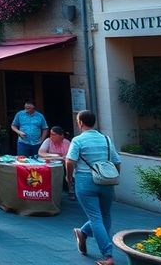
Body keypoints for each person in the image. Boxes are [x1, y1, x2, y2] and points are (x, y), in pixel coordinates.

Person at [66, 110, 122, 265]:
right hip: (106, 181)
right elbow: (117, 161)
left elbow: (70, 161)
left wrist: (69, 178)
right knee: (105, 216)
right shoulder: (106, 139)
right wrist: (114, 177)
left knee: (96, 218)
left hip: (85, 180)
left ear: (80, 123)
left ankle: (107, 255)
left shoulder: (78, 140)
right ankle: (82, 233)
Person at [40, 126, 76, 200]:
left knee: (69, 168)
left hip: (63, 164)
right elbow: (41, 153)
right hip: (51, 164)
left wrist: (60, 158)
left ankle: (71, 190)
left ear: (61, 135)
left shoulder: (67, 143)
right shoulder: (48, 140)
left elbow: (68, 158)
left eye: (53, 134)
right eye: (50, 134)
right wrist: (55, 156)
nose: (51, 136)